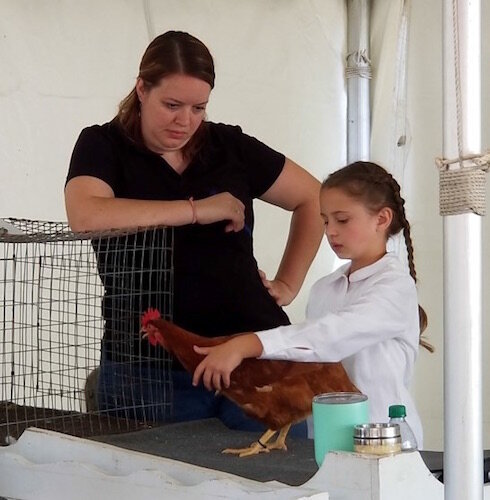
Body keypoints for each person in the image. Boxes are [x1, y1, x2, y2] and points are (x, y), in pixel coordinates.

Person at [64, 31, 323, 434]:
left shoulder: (229, 145)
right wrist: (198, 210)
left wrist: (288, 283)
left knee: (274, 485)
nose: (185, 120)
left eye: (198, 107)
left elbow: (315, 199)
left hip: (255, 358)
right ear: (141, 88)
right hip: (147, 370)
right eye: (172, 105)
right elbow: (85, 214)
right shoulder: (102, 144)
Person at [192, 161, 429, 448]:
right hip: (327, 440)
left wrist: (247, 344)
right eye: (325, 220)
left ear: (382, 219)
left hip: (386, 441)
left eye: (342, 220)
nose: (331, 232)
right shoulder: (324, 289)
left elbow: (330, 337)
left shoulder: (396, 287)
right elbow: (311, 359)